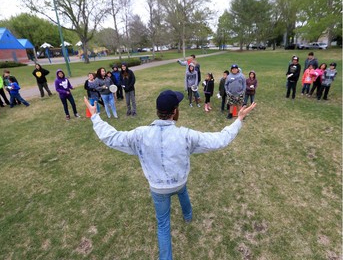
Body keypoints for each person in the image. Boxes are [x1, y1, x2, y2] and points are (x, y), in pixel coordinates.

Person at [83, 90, 257, 260]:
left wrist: (95, 117)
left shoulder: (140, 134)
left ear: (158, 111)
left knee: (163, 224)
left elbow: (111, 137)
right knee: (182, 191)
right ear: (175, 111)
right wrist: (239, 119)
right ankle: (188, 216)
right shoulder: (185, 135)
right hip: (179, 182)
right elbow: (219, 140)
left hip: (158, 188)